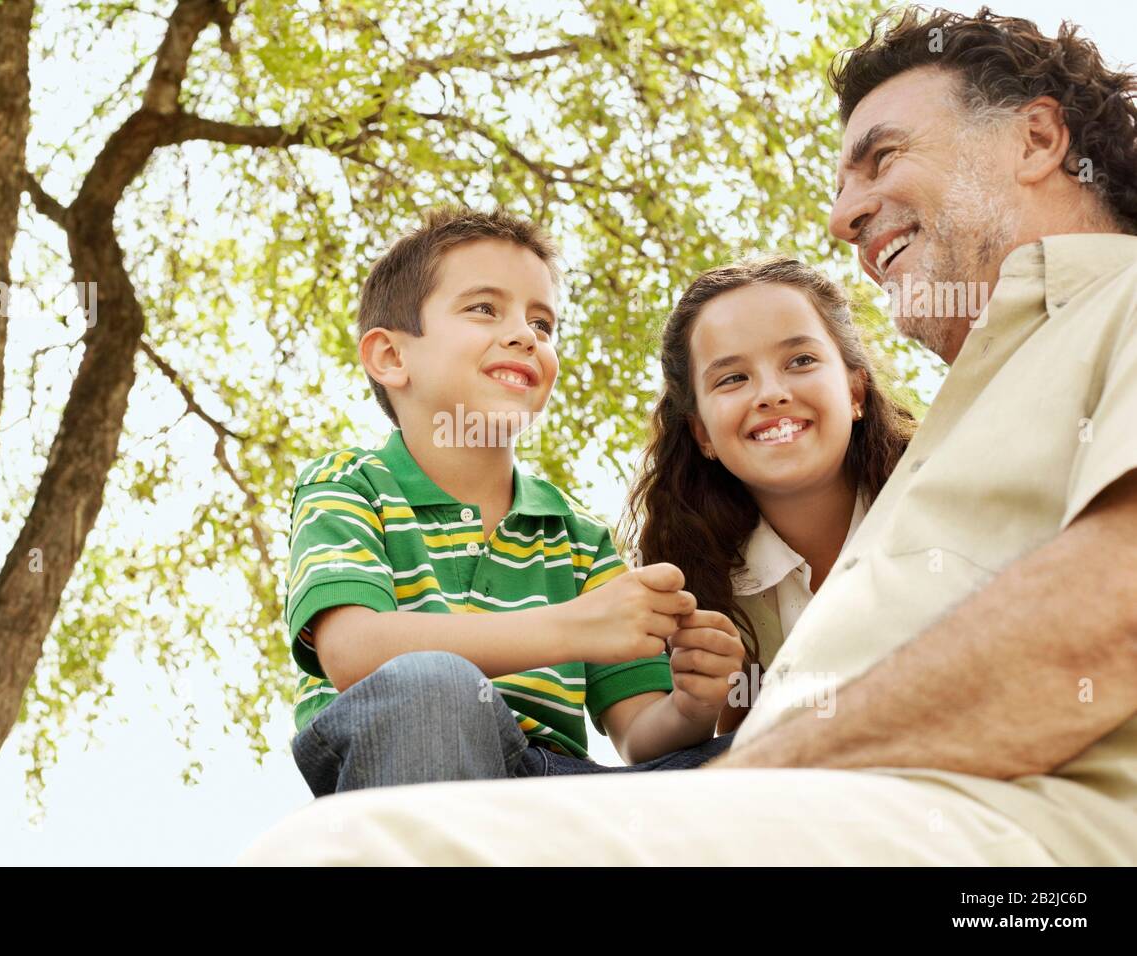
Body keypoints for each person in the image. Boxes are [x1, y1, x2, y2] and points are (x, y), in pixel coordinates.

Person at [240, 7, 1137, 865]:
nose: (841, 217)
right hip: (799, 811)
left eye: (883, 157)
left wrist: (730, 782)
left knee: (350, 852)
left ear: (1037, 139)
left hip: (956, 842)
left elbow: (1110, 615)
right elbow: (362, 652)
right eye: (730, 380)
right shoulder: (982, 409)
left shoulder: (1117, 306)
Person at [285, 206, 733, 799]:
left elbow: (641, 735)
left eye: (543, 324)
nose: (526, 335)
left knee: (779, 753)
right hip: (411, 765)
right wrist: (572, 627)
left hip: (559, 790)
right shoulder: (350, 483)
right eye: (483, 309)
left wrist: (695, 705)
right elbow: (352, 652)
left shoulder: (577, 536)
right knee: (432, 687)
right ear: (392, 357)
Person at [619, 257, 914, 738]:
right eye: (732, 378)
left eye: (800, 361)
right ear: (702, 435)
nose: (771, 394)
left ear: (856, 390)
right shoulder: (707, 585)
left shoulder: (942, 498)